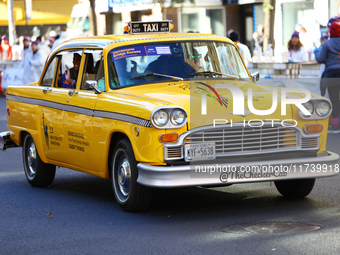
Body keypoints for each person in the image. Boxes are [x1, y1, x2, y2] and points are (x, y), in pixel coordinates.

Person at [314, 21, 340, 132]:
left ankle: (335, 125)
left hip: (332, 75)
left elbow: (320, 59)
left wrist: (316, 51)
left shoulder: (327, 44)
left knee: (334, 100)